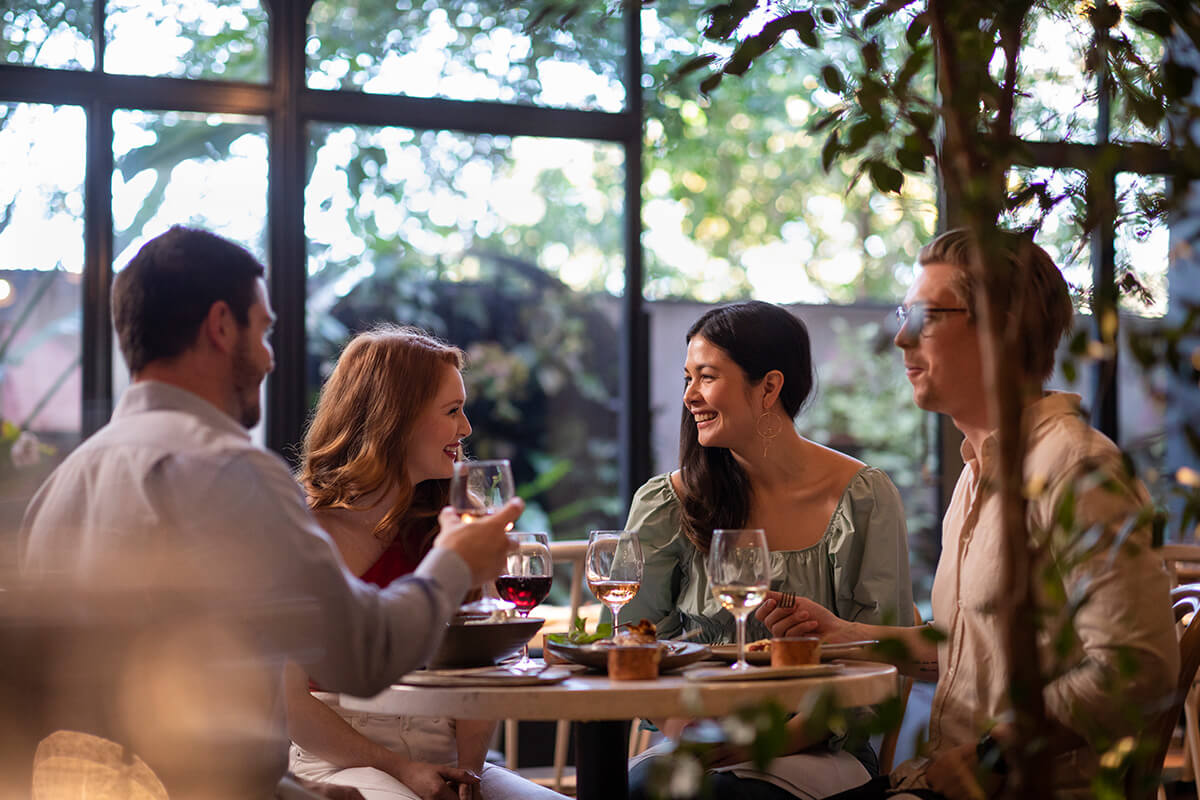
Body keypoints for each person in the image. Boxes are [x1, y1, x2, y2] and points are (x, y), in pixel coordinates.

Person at [18, 226, 522, 800]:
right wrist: (455, 560)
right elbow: (363, 654)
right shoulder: (230, 473)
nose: (268, 357)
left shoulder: (61, 487)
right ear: (221, 327)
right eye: (264, 332)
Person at [757, 229, 1179, 800]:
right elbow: (964, 649)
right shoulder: (979, 470)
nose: (902, 338)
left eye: (926, 316)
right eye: (905, 314)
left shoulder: (1076, 469)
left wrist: (995, 753)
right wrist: (843, 634)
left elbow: (1140, 667)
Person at [623, 300, 915, 800]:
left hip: (822, 745)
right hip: (699, 738)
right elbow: (636, 641)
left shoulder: (863, 497)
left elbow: (879, 661)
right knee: (647, 787)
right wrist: (686, 726)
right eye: (687, 378)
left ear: (770, 387)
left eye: (707, 377)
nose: (690, 395)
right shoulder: (668, 502)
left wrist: (775, 737)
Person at [286, 326, 566, 800]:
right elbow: (287, 703)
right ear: (396, 418)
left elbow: (480, 672)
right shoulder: (303, 529)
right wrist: (402, 768)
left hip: (446, 761)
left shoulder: (449, 528)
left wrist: (468, 778)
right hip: (338, 761)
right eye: (452, 411)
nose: (466, 429)